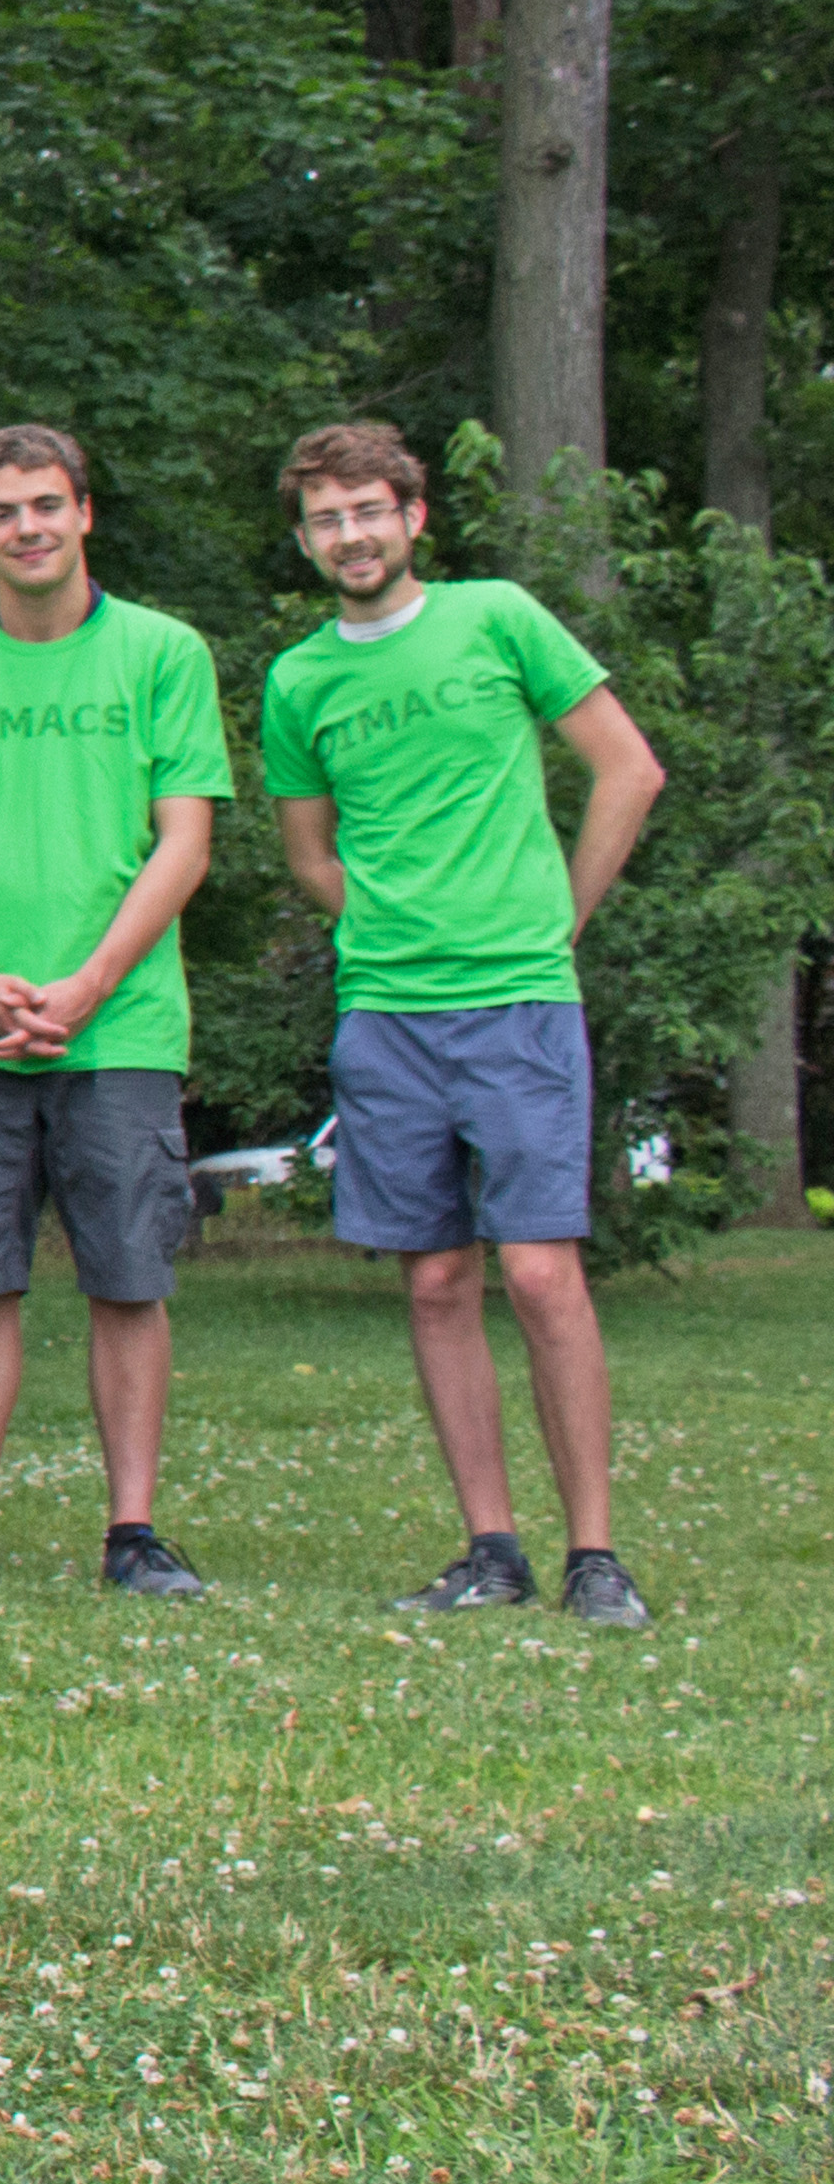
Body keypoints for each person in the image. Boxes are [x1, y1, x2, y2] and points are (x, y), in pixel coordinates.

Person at [258, 419, 665, 1625]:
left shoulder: (498, 617)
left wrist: (560, 921)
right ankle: (493, 1547)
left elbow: (627, 769)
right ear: (306, 539)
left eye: (369, 510)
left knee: (541, 1274)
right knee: (436, 1278)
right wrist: (386, 927)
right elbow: (308, 855)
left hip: (518, 1000)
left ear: (412, 516)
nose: (351, 534)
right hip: (387, 1012)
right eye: (327, 519)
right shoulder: (300, 678)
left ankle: (595, 1554)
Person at [0, 424, 231, 1604]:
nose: (24, 528)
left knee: (130, 1276)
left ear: (85, 513)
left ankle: (135, 1532)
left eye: (44, 506)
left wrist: (85, 987)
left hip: (117, 1025)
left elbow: (184, 841)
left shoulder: (163, 653)